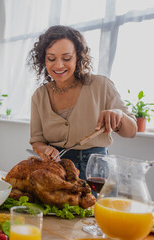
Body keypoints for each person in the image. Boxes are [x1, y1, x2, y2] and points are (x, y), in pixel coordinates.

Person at [27, 25, 137, 180]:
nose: (58, 65)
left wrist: (119, 115)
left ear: (78, 57)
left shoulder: (101, 85)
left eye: (67, 58)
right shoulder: (39, 96)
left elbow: (131, 132)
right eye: (51, 58)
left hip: (95, 170)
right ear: (43, 59)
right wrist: (44, 149)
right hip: (56, 169)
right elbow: (37, 141)